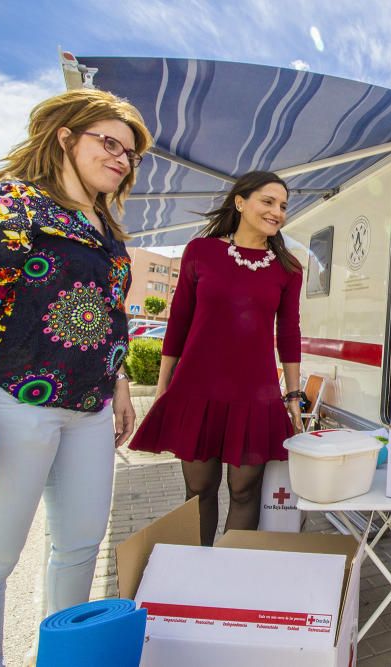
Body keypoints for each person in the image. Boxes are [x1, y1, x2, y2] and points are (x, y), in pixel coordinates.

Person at [0, 88, 152, 666]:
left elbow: (112, 317)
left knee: (80, 548)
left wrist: (121, 385)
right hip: (5, 403)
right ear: (64, 136)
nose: (121, 159)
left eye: (129, 153)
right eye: (109, 143)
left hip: (89, 412)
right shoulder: (9, 205)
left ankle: (67, 658)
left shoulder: (108, 233)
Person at [128, 171, 304, 546]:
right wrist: (163, 389)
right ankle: (198, 571)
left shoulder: (287, 269)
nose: (277, 212)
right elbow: (178, 322)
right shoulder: (200, 251)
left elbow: (288, 335)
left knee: (244, 491)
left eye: (283, 206)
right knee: (199, 491)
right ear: (240, 202)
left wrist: (292, 396)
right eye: (268, 201)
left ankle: (228, 575)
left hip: (255, 395)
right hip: (196, 390)